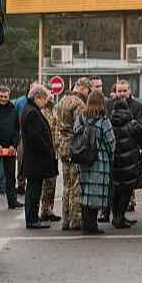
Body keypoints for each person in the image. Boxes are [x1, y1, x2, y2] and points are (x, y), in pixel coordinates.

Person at [73, 91, 116, 235]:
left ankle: (86, 224)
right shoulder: (103, 120)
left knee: (85, 192)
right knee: (96, 193)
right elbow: (111, 142)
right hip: (99, 161)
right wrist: (111, 156)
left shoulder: (80, 118)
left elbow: (76, 134)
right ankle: (92, 225)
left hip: (83, 159)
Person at [53, 79, 91, 230]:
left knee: (67, 185)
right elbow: (80, 127)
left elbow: (56, 125)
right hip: (74, 147)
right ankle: (76, 220)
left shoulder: (62, 101)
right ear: (82, 88)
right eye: (88, 89)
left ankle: (65, 219)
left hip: (63, 145)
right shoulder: (79, 104)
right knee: (76, 185)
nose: (88, 93)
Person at [18, 86, 57, 229]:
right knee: (34, 191)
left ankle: (32, 218)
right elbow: (36, 137)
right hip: (36, 159)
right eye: (44, 99)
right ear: (37, 97)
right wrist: (47, 150)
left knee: (33, 189)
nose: (45, 102)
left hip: (34, 158)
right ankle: (32, 219)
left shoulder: (29, 109)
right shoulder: (32, 112)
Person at [106, 98, 142, 228]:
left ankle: (116, 216)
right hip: (129, 164)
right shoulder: (133, 124)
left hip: (114, 163)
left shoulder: (109, 123)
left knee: (115, 189)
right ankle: (120, 217)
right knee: (126, 190)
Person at [37, 87, 62, 223]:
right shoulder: (41, 111)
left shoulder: (55, 110)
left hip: (55, 150)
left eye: (51, 94)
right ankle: (43, 209)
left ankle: (49, 209)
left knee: (52, 181)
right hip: (45, 150)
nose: (51, 96)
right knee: (45, 182)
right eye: (48, 94)